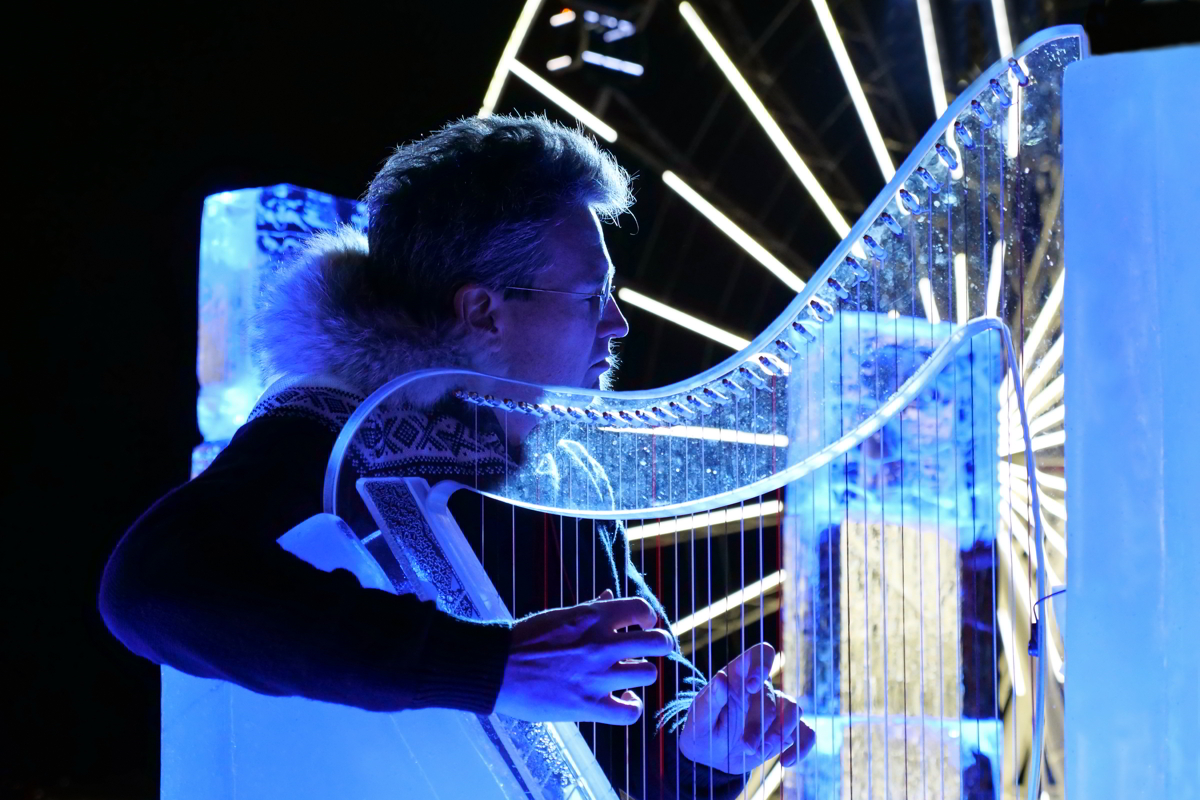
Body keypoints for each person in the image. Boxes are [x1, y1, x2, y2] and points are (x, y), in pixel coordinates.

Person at [99, 114, 815, 798]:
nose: (617, 322)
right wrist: (489, 666)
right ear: (482, 312)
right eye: (590, 294)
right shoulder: (332, 430)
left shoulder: (565, 470)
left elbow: (616, 699)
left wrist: (702, 744)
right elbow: (150, 586)